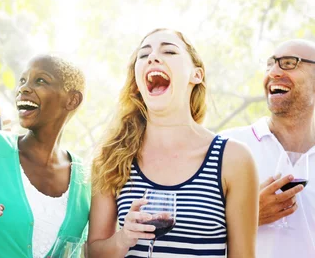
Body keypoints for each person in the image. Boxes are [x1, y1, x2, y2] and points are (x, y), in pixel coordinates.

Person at [87, 28, 259, 258]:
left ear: (196, 75)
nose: (153, 57)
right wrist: (123, 238)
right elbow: (92, 253)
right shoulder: (111, 158)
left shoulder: (233, 158)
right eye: (143, 54)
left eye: (169, 51)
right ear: (137, 82)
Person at [0, 55, 91, 258]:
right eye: (22, 81)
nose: (24, 89)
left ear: (72, 100)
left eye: (41, 81)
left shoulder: (86, 178)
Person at [221, 39, 315, 258]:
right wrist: (248, 216)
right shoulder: (226, 146)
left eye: (289, 63)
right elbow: (186, 235)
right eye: (270, 64)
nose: (273, 72)